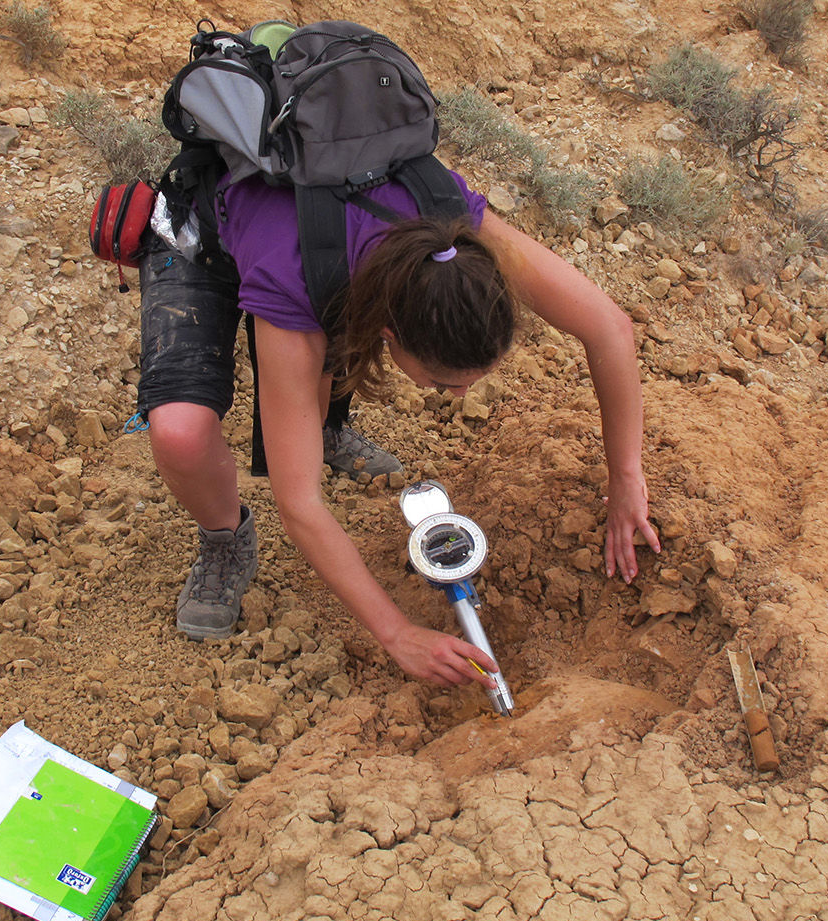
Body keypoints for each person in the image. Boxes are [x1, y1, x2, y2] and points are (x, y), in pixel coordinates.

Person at [135, 168, 659, 688]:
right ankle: (226, 538)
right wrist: (397, 633)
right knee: (183, 434)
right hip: (200, 232)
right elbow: (298, 504)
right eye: (439, 383)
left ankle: (323, 432)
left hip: (315, 240)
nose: (459, 398)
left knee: (314, 389)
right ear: (389, 331)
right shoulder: (294, 296)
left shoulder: (449, 220)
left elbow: (610, 329)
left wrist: (626, 476)